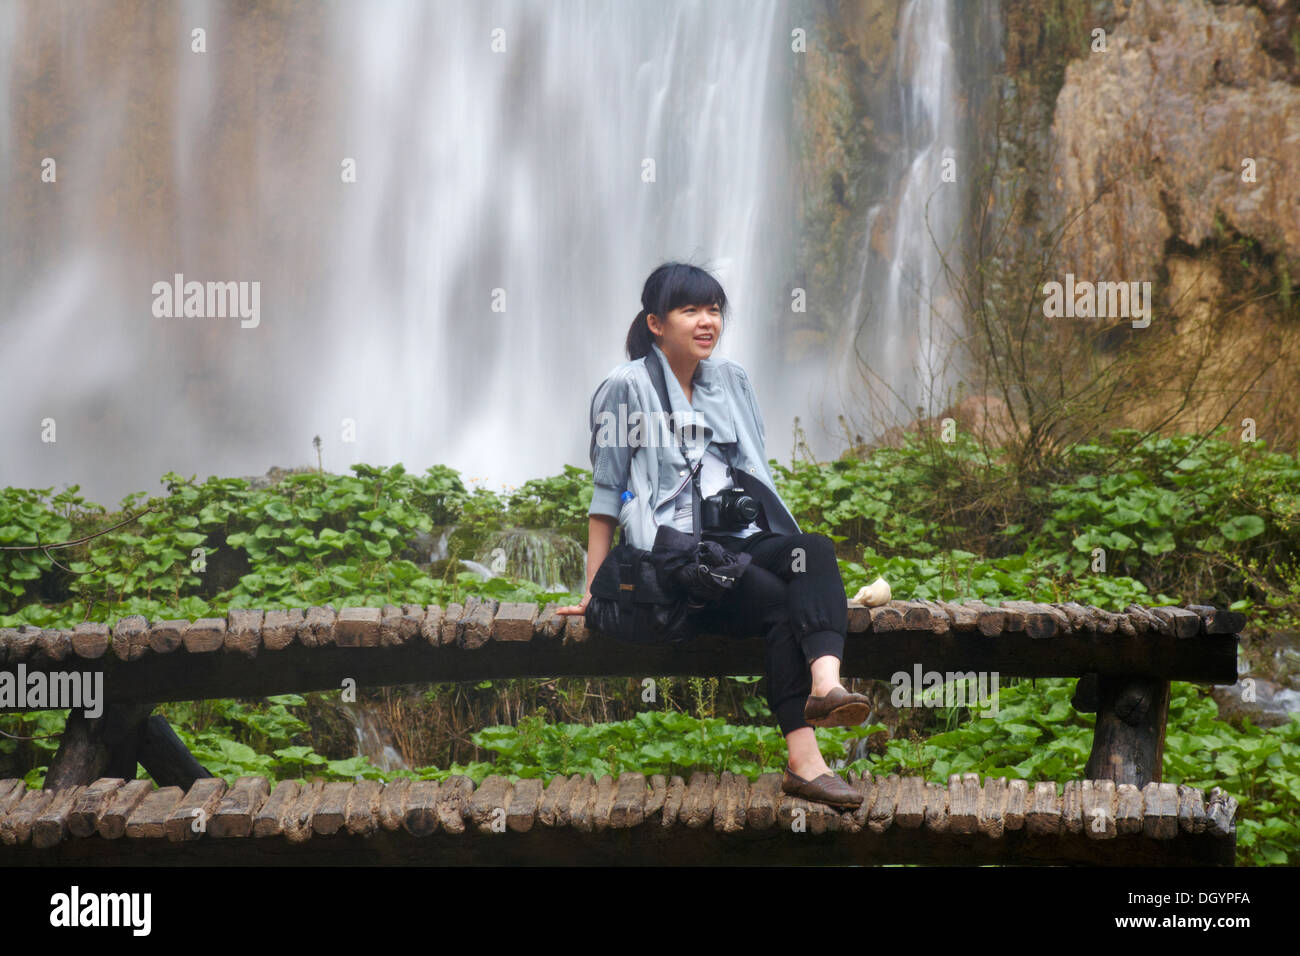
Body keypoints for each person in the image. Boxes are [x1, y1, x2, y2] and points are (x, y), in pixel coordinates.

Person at [556, 261, 870, 809]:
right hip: (676, 555)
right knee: (777, 602)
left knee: (811, 553)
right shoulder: (625, 387)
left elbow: (753, 468)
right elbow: (607, 496)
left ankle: (826, 685)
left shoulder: (732, 381)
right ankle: (806, 762)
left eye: (715, 310)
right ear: (656, 323)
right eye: (690, 310)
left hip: (742, 538)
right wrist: (594, 586)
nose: (708, 322)